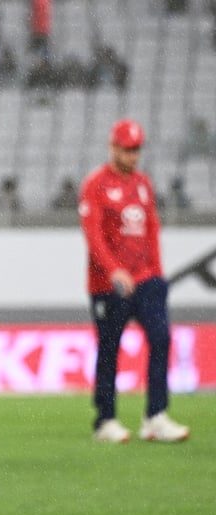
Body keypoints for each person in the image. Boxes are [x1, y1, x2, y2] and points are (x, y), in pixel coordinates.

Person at [81, 118, 190, 444]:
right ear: (113, 147)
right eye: (127, 150)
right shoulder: (96, 184)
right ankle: (106, 420)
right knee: (109, 350)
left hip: (146, 280)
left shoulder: (143, 183)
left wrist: (158, 272)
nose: (132, 156)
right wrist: (114, 270)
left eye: (136, 150)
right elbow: (94, 235)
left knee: (161, 338)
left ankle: (155, 416)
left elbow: (151, 229)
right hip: (108, 285)